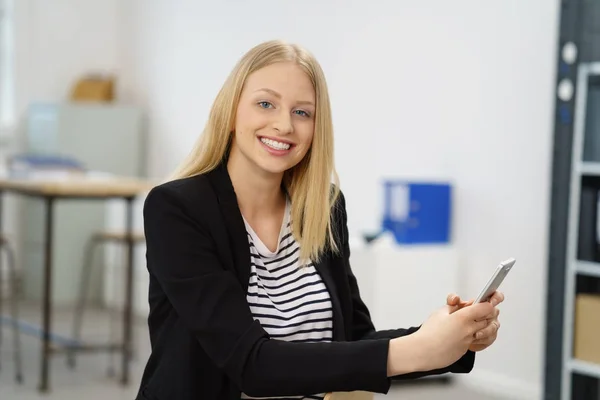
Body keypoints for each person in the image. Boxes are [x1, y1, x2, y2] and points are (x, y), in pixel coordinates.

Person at [135, 40, 504, 400]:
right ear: (231, 111)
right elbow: (251, 364)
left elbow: (352, 341)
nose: (284, 125)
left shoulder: (324, 207)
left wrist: (450, 337)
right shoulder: (177, 209)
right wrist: (418, 349)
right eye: (266, 103)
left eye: (302, 112)